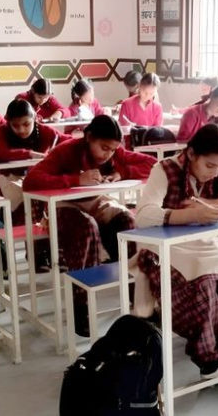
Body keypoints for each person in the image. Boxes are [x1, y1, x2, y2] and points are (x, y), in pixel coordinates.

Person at [132, 124, 218, 378]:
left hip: (200, 243)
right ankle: (206, 358)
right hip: (162, 247)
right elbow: (143, 216)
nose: (215, 172)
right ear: (191, 153)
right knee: (204, 281)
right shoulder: (164, 169)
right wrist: (190, 215)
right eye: (209, 166)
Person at [23, 115, 155, 335]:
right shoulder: (66, 150)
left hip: (96, 201)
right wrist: (76, 179)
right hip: (63, 205)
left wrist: (122, 172)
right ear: (89, 137)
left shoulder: (114, 151)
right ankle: (80, 305)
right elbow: (31, 180)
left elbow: (152, 164)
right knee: (86, 228)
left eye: (113, 150)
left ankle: (137, 298)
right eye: (104, 148)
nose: (108, 154)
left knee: (128, 222)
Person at [0, 99, 70, 221]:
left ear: (34, 118)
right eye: (15, 125)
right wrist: (29, 154)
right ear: (9, 122)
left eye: (26, 124)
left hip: (36, 177)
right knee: (25, 202)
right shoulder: (4, 130)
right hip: (10, 177)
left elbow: (70, 142)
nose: (21, 130)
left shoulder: (45, 131)